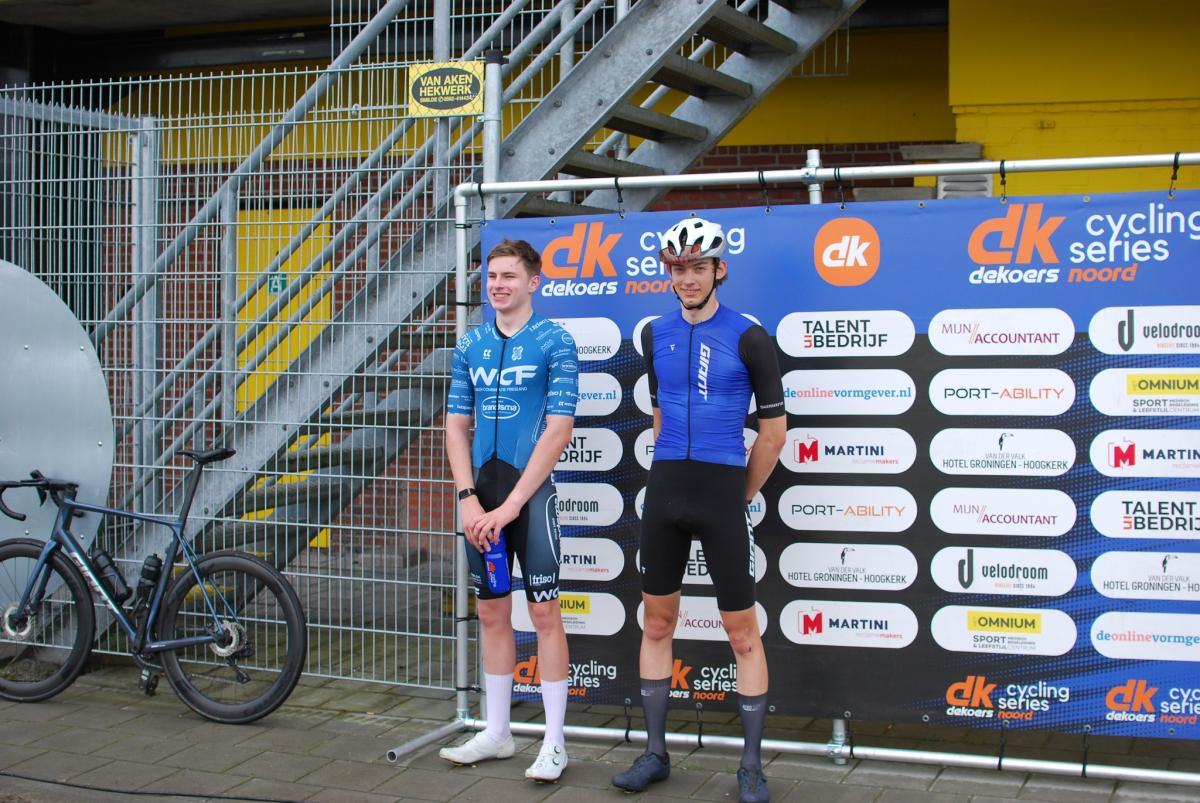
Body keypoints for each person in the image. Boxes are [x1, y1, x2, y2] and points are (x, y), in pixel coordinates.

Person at [612, 217, 786, 803]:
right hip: (666, 490)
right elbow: (661, 412)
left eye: (697, 267)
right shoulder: (655, 334)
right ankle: (655, 754)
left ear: (719, 270)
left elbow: (773, 434)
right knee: (657, 623)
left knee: (742, 634)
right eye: (678, 268)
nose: (686, 278)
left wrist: (741, 494)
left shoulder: (749, 337)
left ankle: (751, 767)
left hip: (721, 490)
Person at [440, 239, 578, 782]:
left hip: (530, 501)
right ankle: (497, 733)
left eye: (509, 276)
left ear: (533, 281)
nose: (497, 285)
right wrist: (467, 498)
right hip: (480, 503)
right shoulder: (470, 343)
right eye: (491, 276)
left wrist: (512, 504)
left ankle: (555, 742)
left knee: (544, 615)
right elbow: (455, 426)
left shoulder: (554, 341)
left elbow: (559, 429)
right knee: (492, 613)